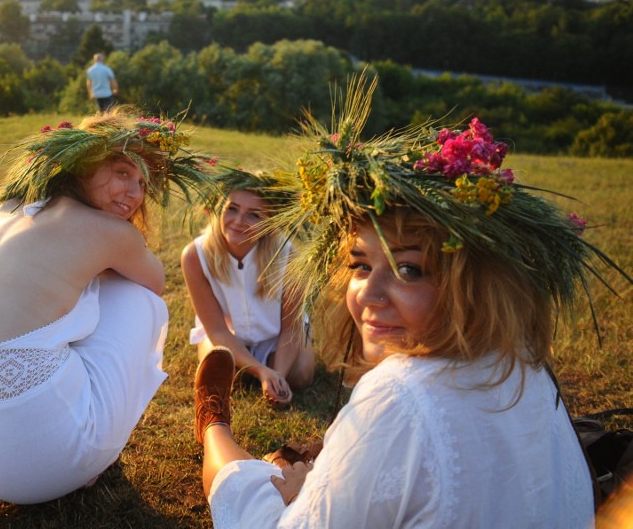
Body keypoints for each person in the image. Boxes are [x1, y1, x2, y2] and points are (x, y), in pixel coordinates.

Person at [193, 78, 629, 527]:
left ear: (473, 284)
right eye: (360, 265)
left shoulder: (400, 394)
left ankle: (213, 424)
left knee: (247, 486)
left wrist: (300, 496)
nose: (368, 295)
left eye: (410, 270)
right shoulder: (525, 363)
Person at [0, 108, 214, 504]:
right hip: (37, 466)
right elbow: (154, 283)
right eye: (122, 172)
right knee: (138, 300)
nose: (134, 193)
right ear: (82, 165)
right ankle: (90, 455)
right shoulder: (112, 232)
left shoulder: (10, 207)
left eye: (143, 182)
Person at [181, 170, 315, 408]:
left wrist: (279, 376)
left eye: (253, 215)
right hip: (226, 337)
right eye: (232, 208)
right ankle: (253, 368)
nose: (239, 221)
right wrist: (262, 372)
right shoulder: (195, 255)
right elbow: (217, 331)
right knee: (219, 373)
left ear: (270, 221)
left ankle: (273, 370)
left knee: (301, 375)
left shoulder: (287, 254)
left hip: (276, 338)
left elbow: (291, 326)